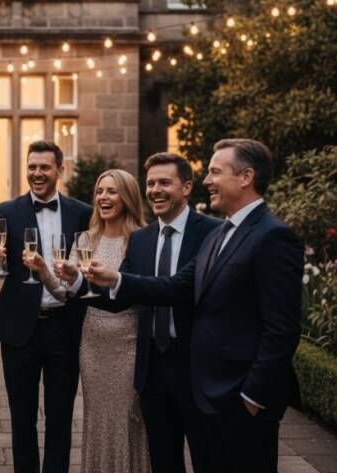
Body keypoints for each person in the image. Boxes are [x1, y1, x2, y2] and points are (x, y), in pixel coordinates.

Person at [86, 139, 303, 473]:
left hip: (240, 396)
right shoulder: (222, 234)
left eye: (215, 172)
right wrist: (113, 278)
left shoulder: (272, 235)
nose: (207, 180)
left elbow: (282, 329)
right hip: (210, 391)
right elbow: (176, 286)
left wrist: (252, 397)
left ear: (245, 177)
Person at [0, 140, 92, 473]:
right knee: (21, 418)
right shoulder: (7, 210)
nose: (37, 173)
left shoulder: (81, 212)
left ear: (59, 170)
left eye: (44, 167)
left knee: (61, 418)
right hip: (19, 329)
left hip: (64, 327)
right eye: (32, 167)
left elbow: (86, 267)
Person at [30, 169, 151, 473]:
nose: (103, 197)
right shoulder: (85, 239)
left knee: (128, 419)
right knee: (96, 420)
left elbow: (144, 291)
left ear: (127, 197)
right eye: (99, 191)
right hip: (93, 343)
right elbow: (65, 293)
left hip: (129, 342)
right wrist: (44, 271)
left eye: (111, 191)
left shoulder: (142, 239)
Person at [114, 153, 219, 473]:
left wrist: (113, 279)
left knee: (209, 459)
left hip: (197, 367)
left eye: (164, 183)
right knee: (163, 461)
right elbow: (122, 295)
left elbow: (179, 289)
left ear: (186, 187)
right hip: (153, 368)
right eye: (150, 184)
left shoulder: (213, 232)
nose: (155, 190)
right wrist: (76, 282)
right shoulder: (140, 239)